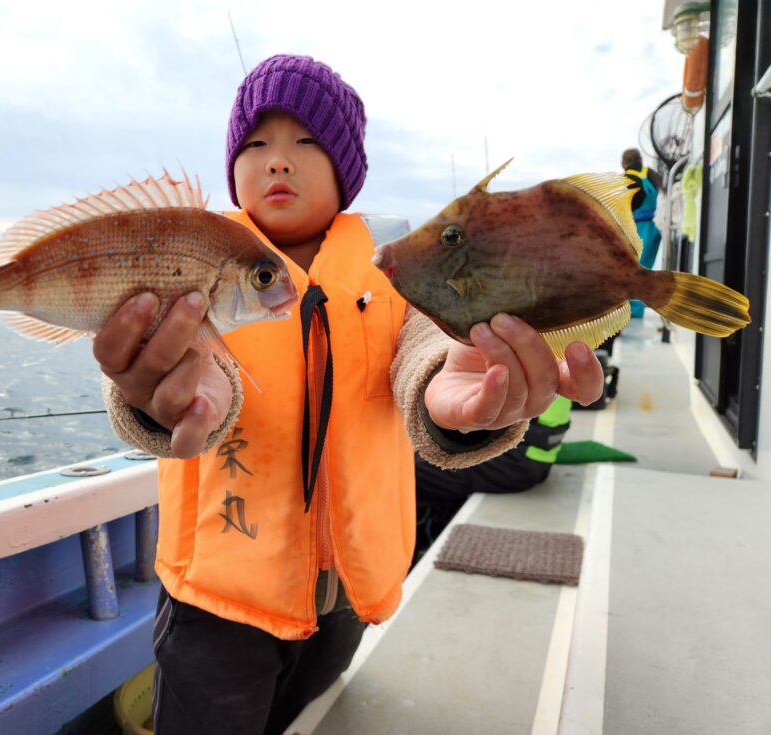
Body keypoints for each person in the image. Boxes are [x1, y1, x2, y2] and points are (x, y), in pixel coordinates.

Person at [92, 55, 603, 735]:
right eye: (255, 144)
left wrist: (457, 402)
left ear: (346, 171)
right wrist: (154, 398)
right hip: (217, 607)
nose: (278, 160)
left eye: (306, 142)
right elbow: (166, 369)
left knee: (309, 717)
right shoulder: (195, 266)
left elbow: (426, 354)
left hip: (345, 603)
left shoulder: (391, 275)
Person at [413, 395, 572, 563]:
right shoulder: (550, 378)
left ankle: (422, 538)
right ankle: (435, 522)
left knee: (414, 474)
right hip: (538, 460)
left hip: (512, 463)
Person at [622, 148, 664, 318]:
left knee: (630, 271)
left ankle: (631, 313)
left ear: (624, 163)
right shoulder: (652, 175)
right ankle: (636, 311)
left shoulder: (627, 178)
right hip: (652, 230)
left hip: (636, 229)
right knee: (644, 272)